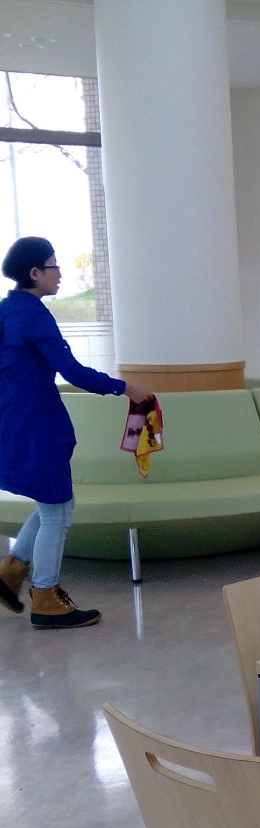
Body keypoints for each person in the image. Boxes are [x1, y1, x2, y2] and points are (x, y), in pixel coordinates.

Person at [0, 237, 152, 628]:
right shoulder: (33, 315)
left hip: (14, 419)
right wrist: (124, 387)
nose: (60, 273)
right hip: (36, 424)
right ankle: (46, 598)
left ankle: (10, 573)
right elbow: (71, 370)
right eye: (53, 266)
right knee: (57, 510)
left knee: (54, 504)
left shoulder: (7, 310)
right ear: (35, 273)